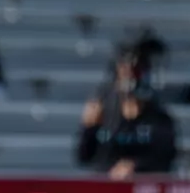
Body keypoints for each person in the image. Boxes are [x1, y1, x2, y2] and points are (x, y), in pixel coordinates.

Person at [76, 37, 177, 178]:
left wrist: (136, 166)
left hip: (143, 189)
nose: (131, 76)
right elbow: (84, 157)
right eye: (125, 68)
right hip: (106, 186)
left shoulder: (157, 115)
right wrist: (89, 129)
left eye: (137, 69)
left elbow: (166, 158)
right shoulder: (104, 109)